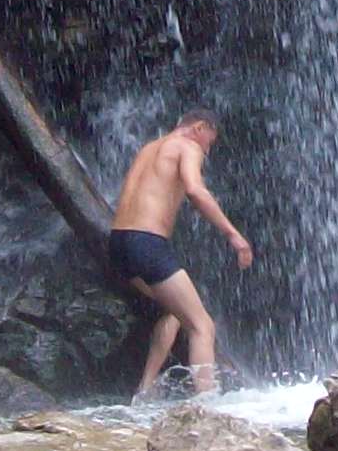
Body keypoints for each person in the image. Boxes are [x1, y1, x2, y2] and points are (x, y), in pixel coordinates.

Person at [106, 114, 253, 397]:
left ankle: (145, 391)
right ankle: (207, 405)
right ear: (199, 128)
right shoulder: (188, 146)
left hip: (120, 242)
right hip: (148, 243)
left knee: (174, 312)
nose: (207, 150)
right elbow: (195, 191)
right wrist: (234, 235)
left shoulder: (149, 148)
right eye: (209, 142)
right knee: (202, 326)